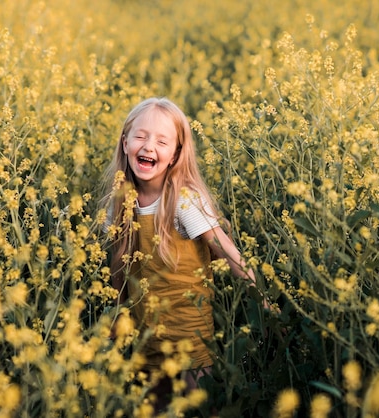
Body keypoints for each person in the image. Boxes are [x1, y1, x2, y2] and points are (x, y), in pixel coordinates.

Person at [100, 97, 262, 410]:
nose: (149, 147)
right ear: (124, 143)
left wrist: (264, 303)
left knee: (202, 407)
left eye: (162, 141)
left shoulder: (183, 202)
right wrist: (117, 316)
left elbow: (228, 252)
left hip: (187, 337)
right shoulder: (120, 202)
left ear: (175, 155)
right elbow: (118, 265)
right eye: (141, 137)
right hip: (144, 338)